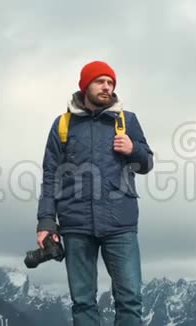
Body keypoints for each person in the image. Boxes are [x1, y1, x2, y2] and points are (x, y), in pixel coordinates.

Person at [35, 60, 154, 326]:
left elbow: (146, 164)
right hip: (75, 224)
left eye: (111, 83)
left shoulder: (127, 121)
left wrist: (133, 149)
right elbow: (50, 175)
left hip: (120, 224)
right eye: (100, 81)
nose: (107, 87)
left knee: (130, 300)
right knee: (83, 302)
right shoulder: (63, 125)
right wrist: (45, 221)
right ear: (85, 85)